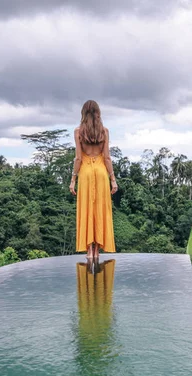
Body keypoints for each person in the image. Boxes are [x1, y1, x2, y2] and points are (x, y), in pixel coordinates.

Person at [69, 100, 117, 259]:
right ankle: (97, 251)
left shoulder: (78, 132)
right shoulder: (104, 131)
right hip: (102, 173)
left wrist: (73, 179)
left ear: (83, 113)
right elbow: (107, 158)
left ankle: (89, 251)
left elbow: (77, 158)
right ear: (98, 114)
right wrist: (113, 179)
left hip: (86, 173)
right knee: (100, 209)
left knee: (87, 209)